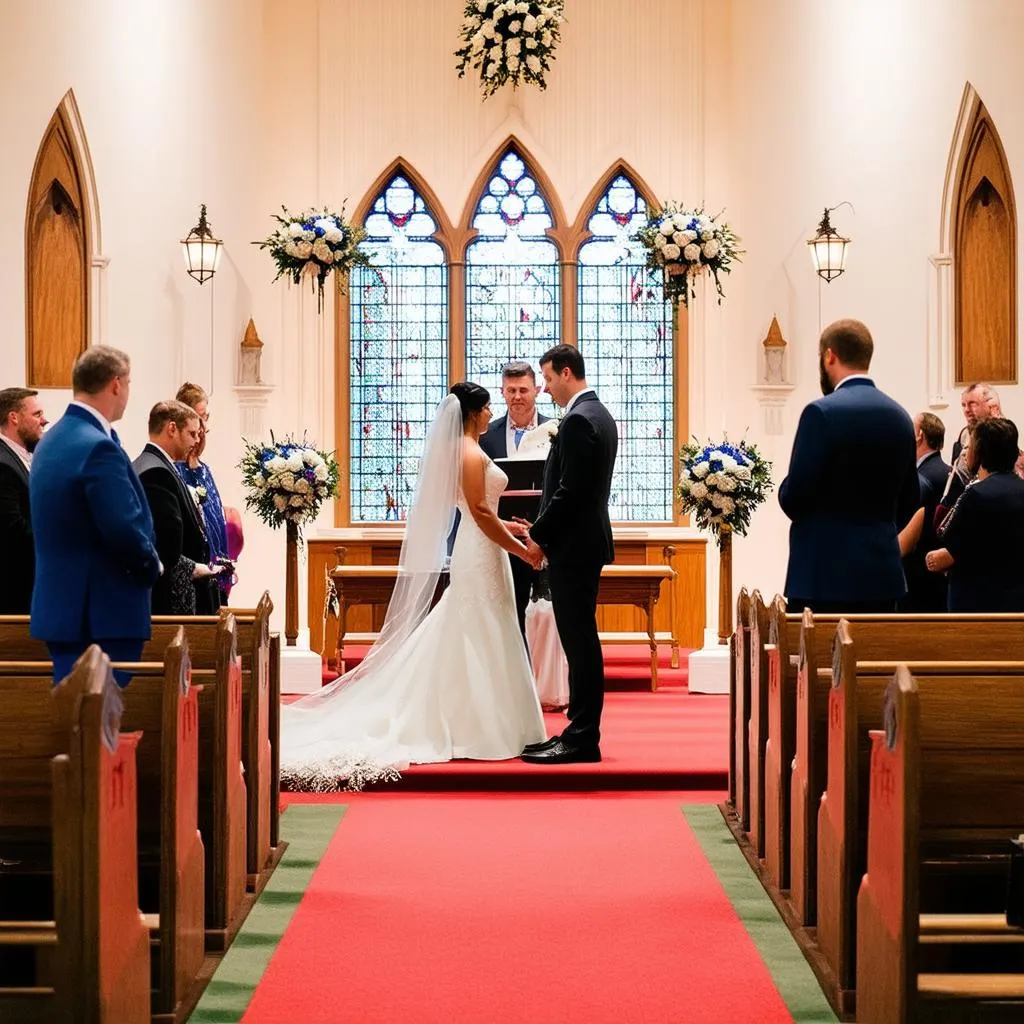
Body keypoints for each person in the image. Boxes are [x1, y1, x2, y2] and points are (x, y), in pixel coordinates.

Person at [279, 383, 546, 791]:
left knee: (485, 627)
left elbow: (480, 511)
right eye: (487, 406)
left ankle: (491, 720)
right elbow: (476, 511)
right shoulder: (469, 452)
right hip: (480, 552)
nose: (493, 411)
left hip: (484, 547)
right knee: (478, 627)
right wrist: (520, 549)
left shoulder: (466, 450)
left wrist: (508, 528)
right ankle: (480, 726)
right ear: (472, 413)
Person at [29, 346, 162, 686]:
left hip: (63, 609)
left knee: (78, 723)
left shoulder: (52, 440)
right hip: (100, 614)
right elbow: (122, 526)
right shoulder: (97, 446)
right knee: (95, 727)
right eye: (129, 383)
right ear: (116, 384)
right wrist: (151, 566)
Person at [521, 344, 619, 765]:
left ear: (566, 372)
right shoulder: (595, 414)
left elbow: (571, 492)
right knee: (579, 640)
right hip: (582, 544)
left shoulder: (580, 420)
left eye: (546, 379)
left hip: (575, 547)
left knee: (579, 642)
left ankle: (582, 737)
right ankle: (578, 730)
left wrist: (539, 536)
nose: (544, 389)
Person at [779, 319, 919, 613]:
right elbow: (910, 501)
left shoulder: (821, 413)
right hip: (882, 576)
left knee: (819, 659)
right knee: (875, 658)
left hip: (823, 576)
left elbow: (796, 498)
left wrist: (784, 489)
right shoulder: (900, 417)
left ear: (830, 355)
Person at [478, 361, 550, 643]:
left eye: (523, 390)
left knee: (551, 616)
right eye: (511, 390)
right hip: (503, 537)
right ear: (502, 392)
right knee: (509, 614)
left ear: (537, 390)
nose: (517, 396)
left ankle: (549, 677)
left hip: (546, 534)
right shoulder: (486, 435)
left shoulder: (556, 429)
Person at [925, 418, 1024, 612]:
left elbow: (950, 543)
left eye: (968, 447)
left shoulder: (976, 495)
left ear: (979, 452)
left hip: (977, 604)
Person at [134, 401, 222, 615]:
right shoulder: (156, 473)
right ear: (172, 429)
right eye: (192, 433)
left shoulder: (151, 464)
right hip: (168, 601)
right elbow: (165, 546)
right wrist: (197, 568)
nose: (197, 440)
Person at [175, 382, 230, 606]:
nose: (205, 427)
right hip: (192, 569)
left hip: (214, 566)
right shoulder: (175, 469)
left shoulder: (203, 469)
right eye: (200, 418)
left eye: (206, 417)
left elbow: (215, 519)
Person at [897, 412, 951, 612]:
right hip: (939, 575)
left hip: (918, 574)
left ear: (919, 434)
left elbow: (910, 531)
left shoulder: (922, 478)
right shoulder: (947, 470)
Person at [0, 387, 47, 614]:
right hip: (13, 589)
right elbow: (13, 528)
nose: (45, 420)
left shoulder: (21, 456)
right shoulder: (3, 463)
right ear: (14, 417)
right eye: (37, 414)